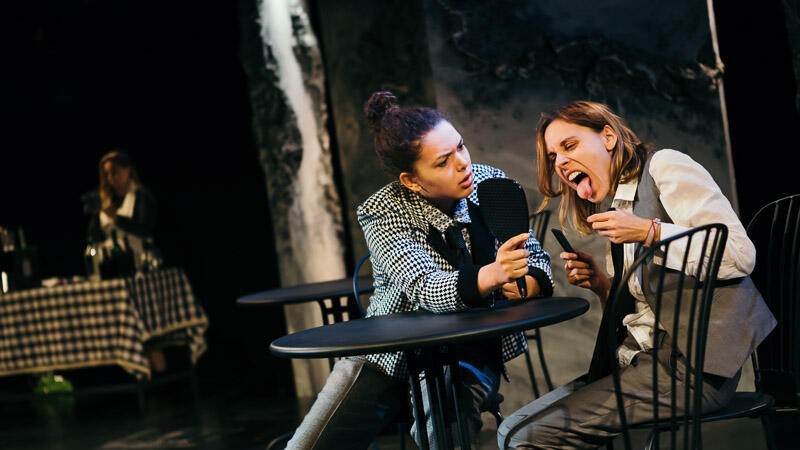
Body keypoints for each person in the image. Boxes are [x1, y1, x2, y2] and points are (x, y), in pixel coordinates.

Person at [497, 101, 777, 449]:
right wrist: (602, 284)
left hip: (691, 370)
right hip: (641, 361)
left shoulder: (665, 167)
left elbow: (739, 255)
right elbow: (641, 307)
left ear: (609, 138)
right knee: (512, 427)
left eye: (569, 146)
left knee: (528, 437)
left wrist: (651, 231)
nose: (560, 162)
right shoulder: (618, 205)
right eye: (553, 156)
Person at [285, 91, 554, 449]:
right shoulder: (384, 210)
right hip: (388, 351)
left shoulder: (489, 183)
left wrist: (531, 281)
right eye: (443, 161)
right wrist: (493, 274)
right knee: (308, 446)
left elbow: (532, 253)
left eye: (461, 147)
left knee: (443, 435)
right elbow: (426, 287)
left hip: (466, 349)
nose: (462, 163)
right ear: (411, 180)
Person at [85, 150, 157, 260]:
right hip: (110, 260)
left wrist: (116, 218)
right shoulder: (105, 200)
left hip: (139, 258)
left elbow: (145, 229)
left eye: (114, 172)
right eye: (106, 174)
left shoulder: (141, 196)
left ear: (127, 169)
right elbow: (94, 238)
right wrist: (95, 215)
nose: (110, 177)